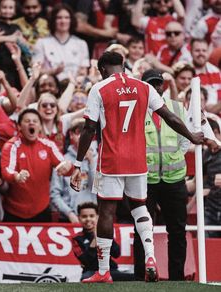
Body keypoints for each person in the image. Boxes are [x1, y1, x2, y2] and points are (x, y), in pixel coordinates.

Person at [70, 51, 204, 283]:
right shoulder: (144, 87)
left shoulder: (99, 89)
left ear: (102, 69)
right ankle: (151, 257)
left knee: (107, 210)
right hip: (138, 160)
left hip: (111, 159)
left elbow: (89, 128)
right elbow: (170, 117)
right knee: (139, 207)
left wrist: (77, 163)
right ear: (122, 66)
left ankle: (103, 271)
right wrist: (192, 136)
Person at [134, 69, 190, 281]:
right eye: (150, 84)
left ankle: (177, 278)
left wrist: (173, 158)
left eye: (158, 84)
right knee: (142, 230)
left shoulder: (176, 107)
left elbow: (185, 140)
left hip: (174, 178)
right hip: (145, 179)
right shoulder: (136, 110)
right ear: (143, 87)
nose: (155, 88)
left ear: (163, 86)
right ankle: (140, 278)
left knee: (177, 231)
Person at [1, 108, 73, 222]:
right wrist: (16, 176)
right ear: (19, 127)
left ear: (40, 127)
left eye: (35, 121)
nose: (31, 123)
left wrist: (68, 167)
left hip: (42, 210)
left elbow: (63, 164)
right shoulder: (11, 146)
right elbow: (6, 171)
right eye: (27, 121)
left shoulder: (48, 145)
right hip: (14, 212)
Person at [72, 202, 135, 281]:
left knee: (134, 277)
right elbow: (86, 261)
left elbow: (116, 253)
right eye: (84, 216)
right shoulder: (76, 238)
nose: (88, 219)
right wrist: (95, 239)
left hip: (111, 270)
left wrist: (105, 236)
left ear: (97, 217)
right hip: (91, 272)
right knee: (85, 278)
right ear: (79, 218)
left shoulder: (105, 233)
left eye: (92, 216)